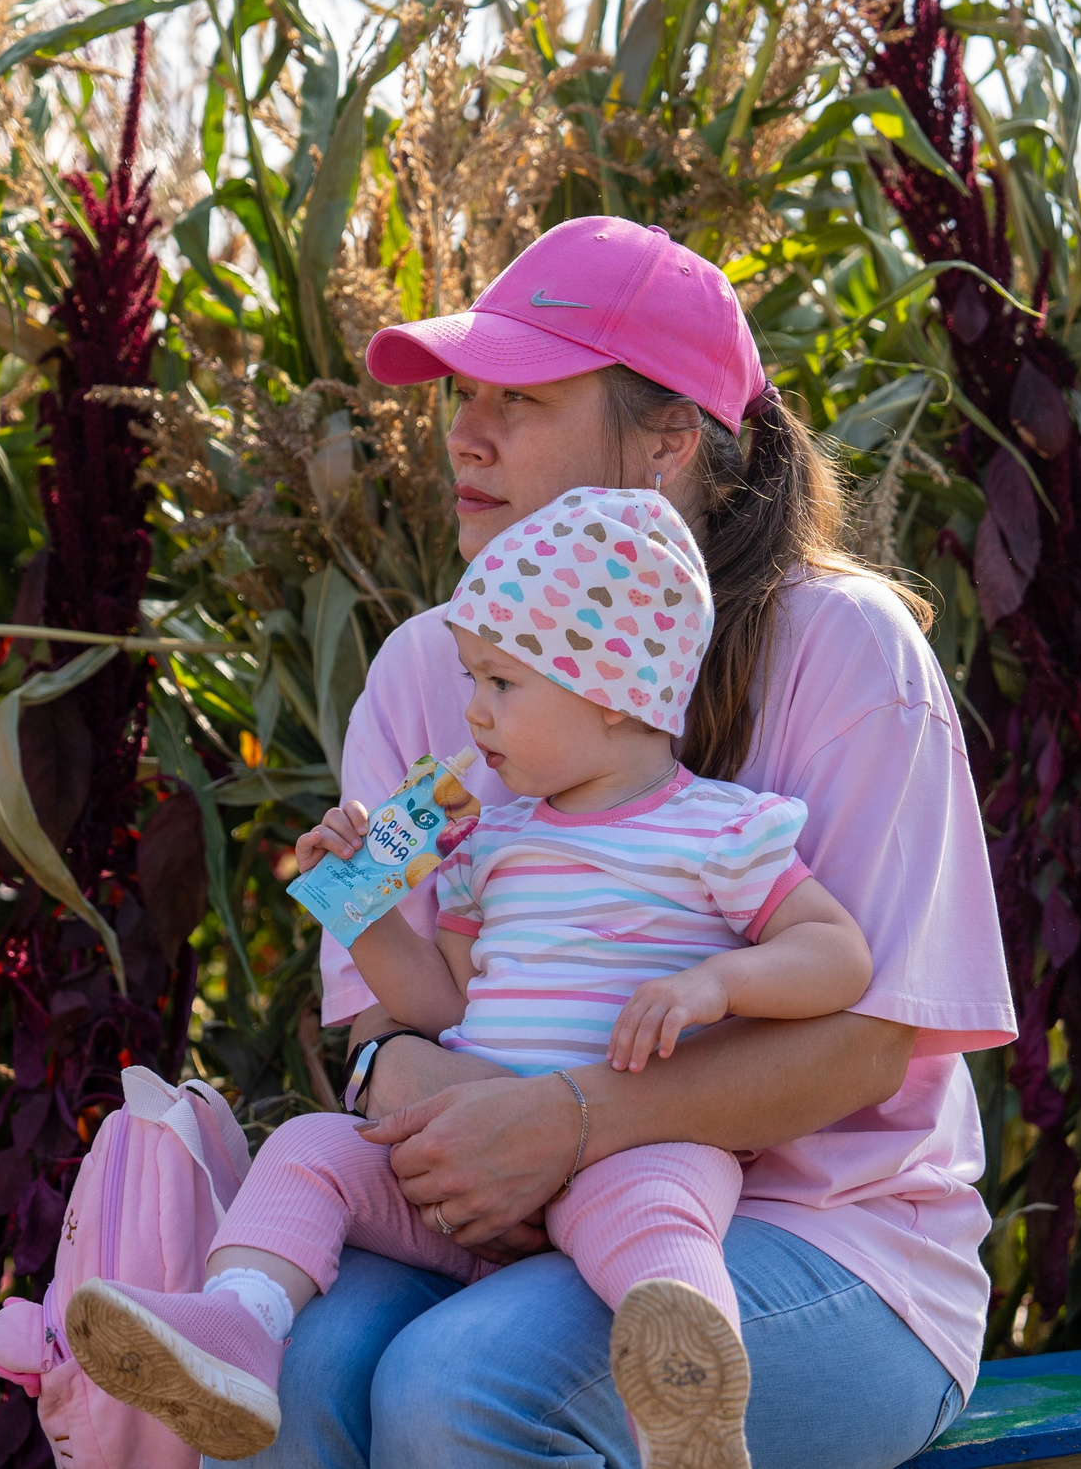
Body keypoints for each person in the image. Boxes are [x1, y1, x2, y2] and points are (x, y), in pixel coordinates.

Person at [220, 216, 1016, 1469]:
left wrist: (572, 1124)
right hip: (488, 1214)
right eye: (460, 399)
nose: (465, 436)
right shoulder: (430, 668)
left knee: (459, 1384)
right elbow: (386, 1031)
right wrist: (406, 1086)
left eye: (522, 401)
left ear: (666, 441)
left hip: (832, 1246)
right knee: (286, 1367)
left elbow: (868, 1043)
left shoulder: (849, 652)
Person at [66, 489, 877, 1468]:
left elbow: (838, 957)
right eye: (470, 680)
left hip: (629, 1144)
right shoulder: (490, 846)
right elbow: (439, 1009)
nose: (472, 713)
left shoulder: (721, 831)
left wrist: (718, 985)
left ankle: (687, 1393)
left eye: (500, 684)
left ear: (614, 688)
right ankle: (235, 1331)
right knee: (314, 1146)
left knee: (657, 1212)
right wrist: (356, 911)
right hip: (467, 1164)